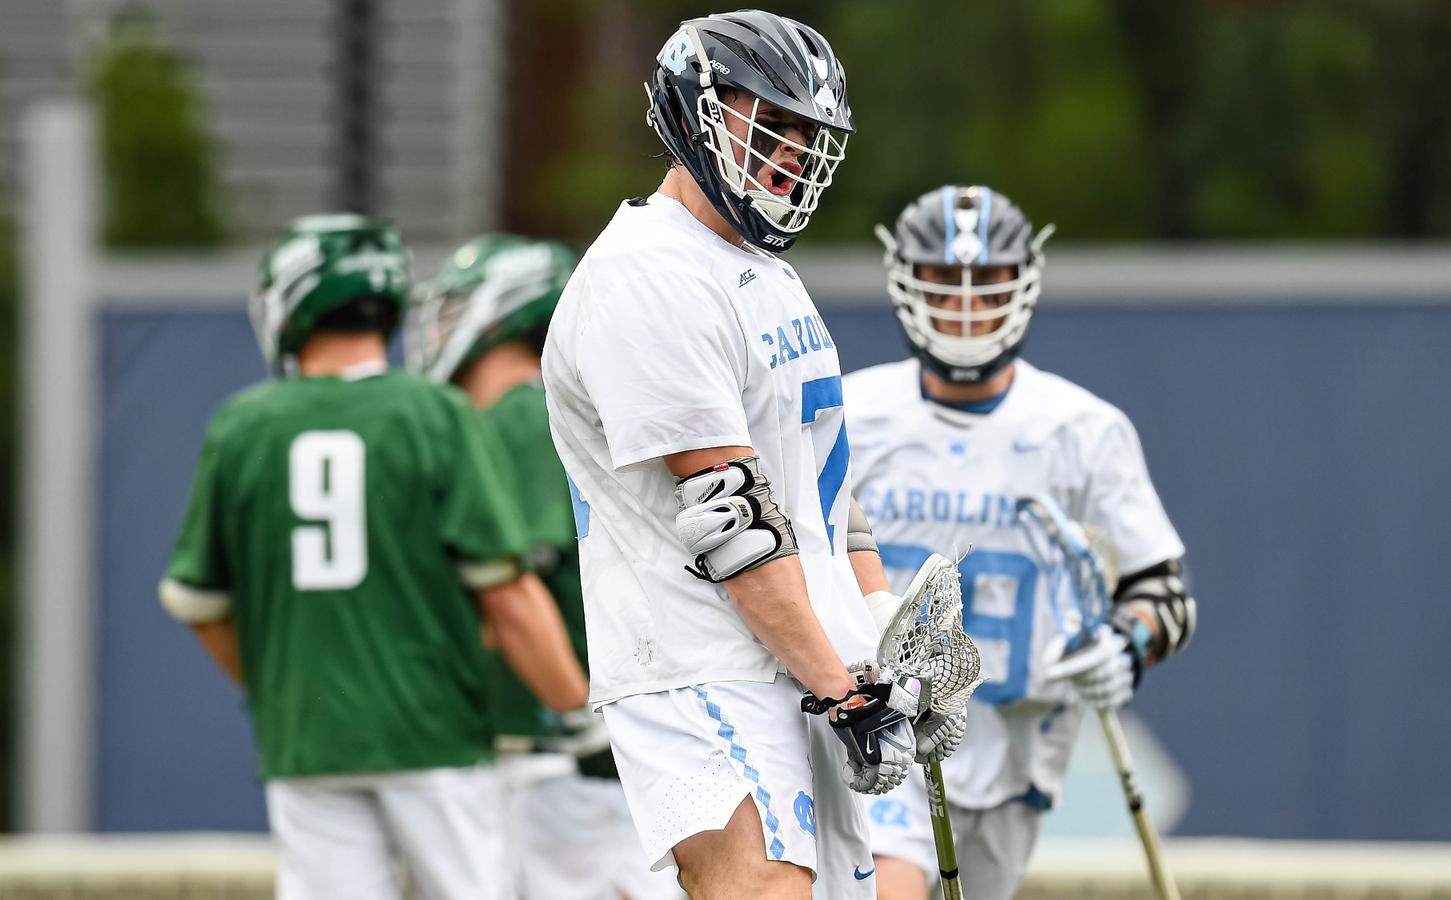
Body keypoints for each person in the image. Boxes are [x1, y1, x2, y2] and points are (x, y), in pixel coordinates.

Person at [542, 11, 963, 899]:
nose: (792, 154)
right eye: (771, 123)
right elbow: (733, 521)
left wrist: (880, 639)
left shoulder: (764, 271)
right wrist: (845, 689)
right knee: (763, 888)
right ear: (694, 113)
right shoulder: (648, 275)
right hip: (699, 662)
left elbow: (822, 494)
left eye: (809, 135)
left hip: (799, 660)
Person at [159, 214, 588, 900]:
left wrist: (277, 689)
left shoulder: (242, 425)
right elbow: (505, 591)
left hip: (306, 739)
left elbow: (198, 603)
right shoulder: (433, 414)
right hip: (435, 731)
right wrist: (576, 707)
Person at [845, 186, 1197, 900]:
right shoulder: (851, 413)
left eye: (987, 284)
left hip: (1014, 754)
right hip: (885, 732)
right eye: (943, 283)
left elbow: (1164, 594)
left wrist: (1126, 645)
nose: (965, 308)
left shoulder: (1081, 431)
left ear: (1022, 285)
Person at [407, 234, 683, 900]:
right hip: (576, 744)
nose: (438, 330)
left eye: (456, 310)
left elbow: (509, 584)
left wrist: (567, 705)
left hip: (563, 750)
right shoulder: (528, 412)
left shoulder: (520, 414)